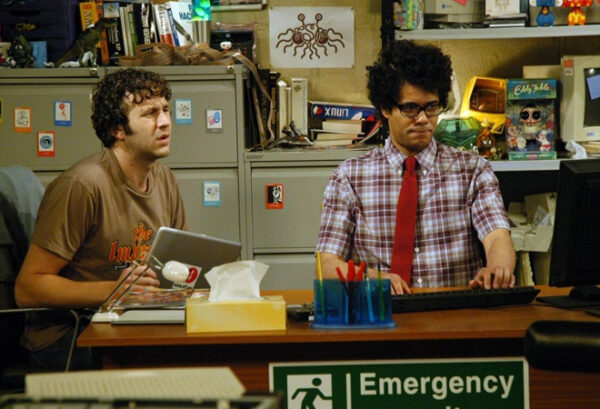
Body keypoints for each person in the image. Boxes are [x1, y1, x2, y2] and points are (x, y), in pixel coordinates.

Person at [14, 68, 186, 370]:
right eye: (150, 113)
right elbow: (28, 288)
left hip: (131, 317)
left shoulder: (164, 179)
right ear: (118, 129)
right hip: (71, 333)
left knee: (201, 351)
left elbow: (179, 262)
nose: (165, 121)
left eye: (165, 110)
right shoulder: (82, 185)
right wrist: (114, 290)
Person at [316, 40, 515, 295]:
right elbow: (327, 265)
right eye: (410, 108)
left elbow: (498, 237)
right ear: (386, 108)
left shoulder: (473, 170)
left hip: (454, 311)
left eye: (431, 107)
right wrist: (371, 279)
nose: (422, 119)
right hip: (382, 309)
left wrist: (498, 269)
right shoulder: (349, 177)